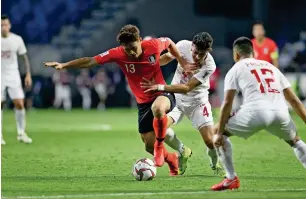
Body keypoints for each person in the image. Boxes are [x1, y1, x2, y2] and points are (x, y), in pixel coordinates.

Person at [44, 24, 196, 175]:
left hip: (162, 93)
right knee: (148, 145)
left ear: (140, 40)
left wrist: (182, 62)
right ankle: (173, 159)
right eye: (126, 48)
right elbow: (90, 61)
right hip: (143, 103)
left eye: (133, 47)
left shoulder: (153, 45)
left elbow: (169, 42)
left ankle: (160, 145)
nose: (130, 52)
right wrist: (64, 65)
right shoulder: (118, 53)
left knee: (157, 109)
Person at [210, 37, 306, 191]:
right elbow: (294, 101)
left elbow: (227, 103)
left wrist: (220, 132)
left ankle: (230, 178)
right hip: (280, 113)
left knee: (215, 131)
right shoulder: (272, 67)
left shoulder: (236, 69)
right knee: (295, 141)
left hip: (256, 113)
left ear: (235, 55)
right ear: (253, 53)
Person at [141, 32, 225, 176]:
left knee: (210, 141)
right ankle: (182, 150)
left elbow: (187, 88)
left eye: (202, 54)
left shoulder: (209, 65)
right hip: (176, 100)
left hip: (198, 102)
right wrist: (150, 64)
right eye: (196, 52)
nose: (198, 57)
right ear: (192, 45)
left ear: (208, 51)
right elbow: (166, 58)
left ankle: (214, 163)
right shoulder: (182, 46)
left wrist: (160, 86)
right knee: (159, 128)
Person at [1, 15, 32, 145]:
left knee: (19, 103)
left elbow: (24, 57)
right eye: (1, 25)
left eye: (5, 25)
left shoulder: (17, 39)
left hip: (13, 74)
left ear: (10, 25)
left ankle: (21, 133)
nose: (3, 27)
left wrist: (28, 74)